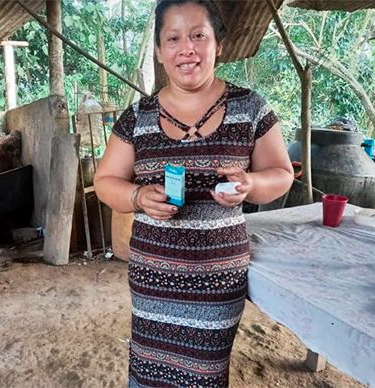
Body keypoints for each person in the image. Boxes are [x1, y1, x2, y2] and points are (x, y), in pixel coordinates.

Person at [94, 0, 294, 386]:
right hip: (155, 275)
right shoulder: (138, 116)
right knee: (150, 370)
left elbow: (282, 174)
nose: (186, 48)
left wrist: (251, 184)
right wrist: (137, 198)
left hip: (217, 279)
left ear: (218, 44)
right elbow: (106, 181)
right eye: (173, 38)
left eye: (198, 35)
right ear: (159, 51)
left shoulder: (250, 108)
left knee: (205, 373)